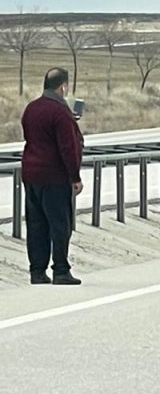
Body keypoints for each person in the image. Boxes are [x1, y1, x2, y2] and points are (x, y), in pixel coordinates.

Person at [21, 68, 84, 285]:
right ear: (63, 86)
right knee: (60, 224)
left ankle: (37, 271)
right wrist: (75, 176)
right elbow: (68, 147)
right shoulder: (60, 112)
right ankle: (60, 270)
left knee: (36, 224)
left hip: (31, 175)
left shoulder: (31, 108)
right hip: (55, 177)